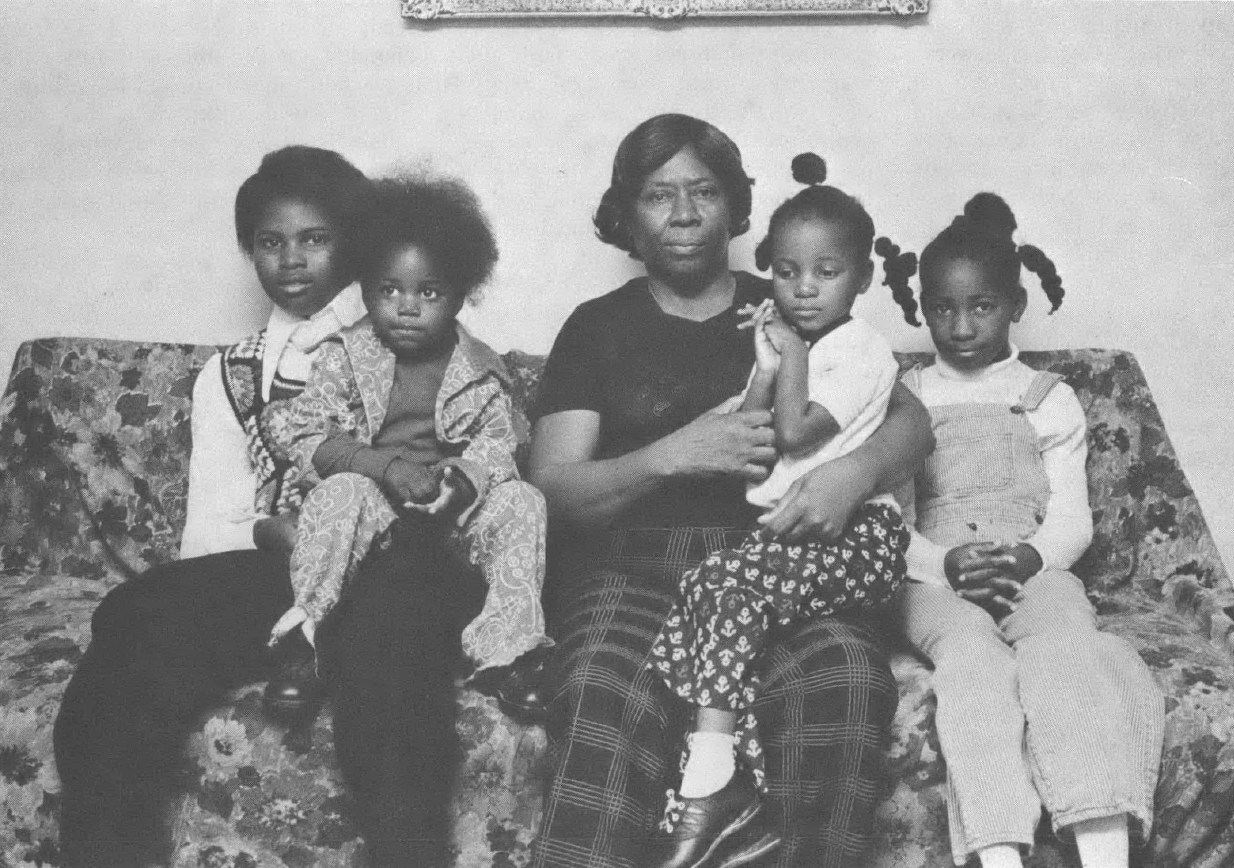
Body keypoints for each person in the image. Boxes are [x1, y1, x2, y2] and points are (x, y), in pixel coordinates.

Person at [52, 146, 483, 868]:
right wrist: (281, 533)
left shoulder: (415, 329)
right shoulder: (233, 373)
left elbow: (477, 472)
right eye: (270, 242)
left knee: (385, 655)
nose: (291, 260)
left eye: (316, 239)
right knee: (135, 614)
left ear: (356, 244)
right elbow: (210, 536)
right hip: (282, 564)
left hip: (403, 565)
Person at [527, 114, 933, 868]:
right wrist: (667, 458)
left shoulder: (792, 300)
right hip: (634, 568)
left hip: (781, 563)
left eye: (703, 192)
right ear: (626, 213)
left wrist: (855, 473)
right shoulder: (595, 328)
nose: (683, 214)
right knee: (601, 687)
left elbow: (912, 424)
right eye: (658, 195)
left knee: (845, 677)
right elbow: (551, 489)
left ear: (736, 207)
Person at [644, 156, 911, 868]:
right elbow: (757, 442)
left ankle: (712, 782)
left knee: (727, 591)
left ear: (862, 277)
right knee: (704, 589)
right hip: (796, 534)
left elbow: (797, 434)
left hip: (858, 539)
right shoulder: (804, 347)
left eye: (826, 273)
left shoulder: (861, 351)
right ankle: (730, 781)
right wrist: (764, 367)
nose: (804, 290)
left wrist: (788, 351)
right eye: (788, 273)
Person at [886, 193, 1164, 868]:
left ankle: (1104, 849)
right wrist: (943, 564)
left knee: (1067, 650)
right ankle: (1000, 852)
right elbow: (890, 522)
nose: (960, 325)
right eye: (943, 308)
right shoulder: (905, 398)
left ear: (1015, 305)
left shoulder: (1049, 396)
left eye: (980, 306)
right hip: (935, 571)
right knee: (973, 664)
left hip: (1029, 565)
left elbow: (1072, 519)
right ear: (921, 307)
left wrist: (1030, 557)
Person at [267, 173, 552, 717]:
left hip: (449, 528)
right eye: (388, 290)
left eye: (429, 292)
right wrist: (383, 467)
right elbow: (306, 436)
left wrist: (459, 483)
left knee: (524, 501)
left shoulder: (482, 369)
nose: (406, 307)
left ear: (460, 295)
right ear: (365, 288)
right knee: (342, 490)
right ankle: (304, 643)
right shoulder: (343, 357)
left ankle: (509, 654)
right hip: (373, 521)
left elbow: (499, 447)